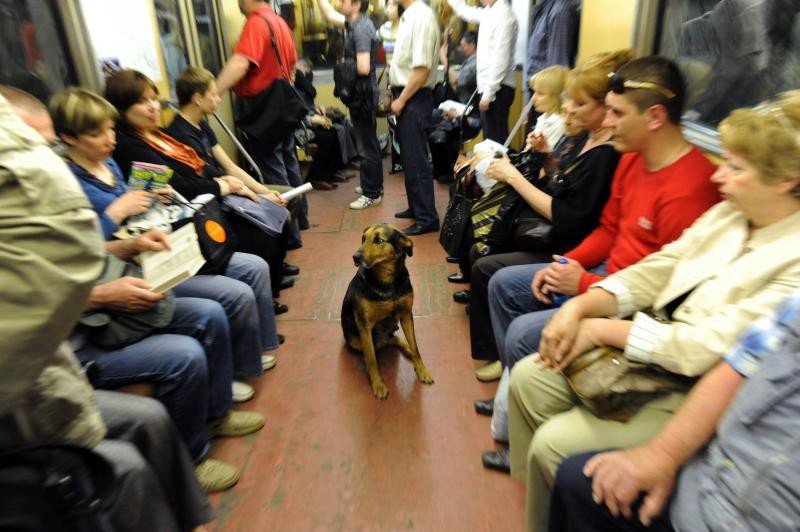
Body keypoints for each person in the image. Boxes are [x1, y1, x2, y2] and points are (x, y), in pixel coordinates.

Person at [507, 89, 800, 532]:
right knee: (530, 379)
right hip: (653, 352)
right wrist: (582, 307)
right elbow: (657, 269)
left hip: (696, 388)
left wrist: (602, 331)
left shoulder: (792, 260)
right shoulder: (731, 215)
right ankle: (542, 514)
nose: (718, 176)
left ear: (785, 180)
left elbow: (704, 349)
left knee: (554, 445)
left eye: (737, 168)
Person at [0, 87, 212, 530]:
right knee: (183, 359)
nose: (48, 160)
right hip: (76, 337)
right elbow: (71, 268)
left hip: (102, 295)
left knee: (152, 417)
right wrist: (103, 283)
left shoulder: (115, 164)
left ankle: (189, 498)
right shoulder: (49, 193)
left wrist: (139, 232)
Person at [478, 55, 720, 394]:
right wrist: (567, 263)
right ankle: (516, 389)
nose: (608, 121)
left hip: (633, 304)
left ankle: (527, 399)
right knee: (503, 284)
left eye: (617, 113)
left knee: (523, 333)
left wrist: (584, 283)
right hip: (606, 274)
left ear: (654, 117)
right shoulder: (632, 159)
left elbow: (662, 292)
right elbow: (609, 230)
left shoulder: (690, 191)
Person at [50, 87, 283, 398]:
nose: (110, 139)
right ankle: (224, 386)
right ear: (69, 138)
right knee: (228, 296)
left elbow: (135, 210)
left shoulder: (109, 164)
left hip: (147, 247)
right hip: (124, 270)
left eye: (110, 128)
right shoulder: (65, 183)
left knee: (252, 266)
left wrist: (149, 200)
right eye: (98, 133)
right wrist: (117, 212)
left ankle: (247, 360)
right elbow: (78, 245)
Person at [551, 292, 800, 531]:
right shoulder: (794, 306)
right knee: (578, 481)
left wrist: (597, 324)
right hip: (708, 487)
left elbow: (702, 346)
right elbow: (740, 363)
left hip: (681, 367)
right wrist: (663, 455)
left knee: (553, 440)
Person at [465, 50, 633, 385]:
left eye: (578, 103)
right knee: (482, 247)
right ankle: (501, 348)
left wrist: (514, 177)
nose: (568, 108)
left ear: (605, 108)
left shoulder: (609, 156)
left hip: (565, 242)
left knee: (487, 265)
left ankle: (506, 357)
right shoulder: (585, 137)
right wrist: (548, 159)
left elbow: (569, 217)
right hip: (564, 239)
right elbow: (566, 185)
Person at [105, 70, 295, 301]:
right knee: (260, 231)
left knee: (273, 215)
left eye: (154, 99)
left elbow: (203, 166)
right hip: (183, 217)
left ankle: (269, 285)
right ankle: (266, 291)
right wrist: (222, 187)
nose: (154, 107)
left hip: (206, 196)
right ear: (122, 108)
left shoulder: (160, 135)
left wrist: (231, 183)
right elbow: (175, 187)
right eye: (142, 102)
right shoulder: (129, 146)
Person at [165, 66, 301, 307]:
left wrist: (262, 190)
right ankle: (267, 291)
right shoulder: (180, 135)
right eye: (214, 94)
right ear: (197, 98)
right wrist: (253, 194)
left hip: (228, 185)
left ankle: (275, 269)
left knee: (284, 199)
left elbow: (229, 166)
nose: (218, 99)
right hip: (214, 199)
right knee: (264, 229)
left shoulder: (202, 125)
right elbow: (207, 181)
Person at [216, 0, 308, 244]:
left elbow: (240, 63)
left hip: (262, 105)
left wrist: (213, 91)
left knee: (271, 167)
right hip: (282, 102)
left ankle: (289, 233)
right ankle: (302, 219)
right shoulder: (280, 22)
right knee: (289, 162)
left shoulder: (256, 23)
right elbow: (291, 66)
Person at [316, 0, 385, 211]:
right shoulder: (353, 23)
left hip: (362, 95)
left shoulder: (361, 29)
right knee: (369, 142)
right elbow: (329, 15)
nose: (338, 2)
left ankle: (371, 193)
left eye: (344, 0)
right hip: (360, 94)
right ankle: (374, 185)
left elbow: (363, 67)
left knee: (366, 146)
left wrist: (342, 67)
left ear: (356, 4)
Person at [389, 0, 441, 235]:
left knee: (417, 159)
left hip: (414, 96)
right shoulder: (410, 15)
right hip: (409, 95)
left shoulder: (421, 16)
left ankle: (427, 217)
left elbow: (422, 69)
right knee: (409, 157)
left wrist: (402, 100)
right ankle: (417, 207)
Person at [447, 0, 517, 143]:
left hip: (498, 89)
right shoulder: (489, 12)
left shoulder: (503, 15)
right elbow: (465, 11)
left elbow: (500, 60)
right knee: (489, 140)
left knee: (495, 142)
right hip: (490, 88)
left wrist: (488, 94)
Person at [428, 29, 479, 183]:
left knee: (435, 120)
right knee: (434, 116)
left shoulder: (475, 62)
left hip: (469, 113)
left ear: (473, 45)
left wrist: (444, 59)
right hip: (461, 107)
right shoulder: (469, 61)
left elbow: (456, 80)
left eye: (464, 46)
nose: (461, 49)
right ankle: (442, 167)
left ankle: (444, 168)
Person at [529, 65, 569, 148]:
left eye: (540, 93)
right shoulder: (544, 118)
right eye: (534, 92)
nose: (533, 98)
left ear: (558, 96)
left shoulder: (559, 125)